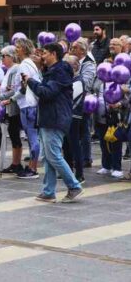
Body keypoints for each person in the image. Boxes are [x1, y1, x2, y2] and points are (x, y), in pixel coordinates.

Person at [25, 42, 83, 203]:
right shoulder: (51, 71)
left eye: (44, 53)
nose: (41, 56)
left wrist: (30, 81)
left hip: (56, 118)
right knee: (47, 156)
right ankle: (48, 191)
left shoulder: (61, 70)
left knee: (53, 155)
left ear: (53, 54)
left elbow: (47, 92)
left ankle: (74, 186)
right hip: (48, 118)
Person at [10, 38, 40, 179]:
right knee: (33, 137)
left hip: (27, 105)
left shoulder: (23, 65)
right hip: (31, 104)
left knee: (32, 138)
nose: (16, 49)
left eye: (18, 46)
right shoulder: (31, 64)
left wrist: (11, 99)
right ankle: (32, 166)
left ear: (23, 48)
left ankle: (33, 168)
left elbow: (24, 86)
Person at [0, 45, 23, 174]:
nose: (2, 59)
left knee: (14, 134)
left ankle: (16, 163)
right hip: (9, 106)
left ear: (11, 57)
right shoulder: (9, 70)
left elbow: (13, 90)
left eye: (4, 56)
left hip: (13, 108)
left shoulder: (14, 69)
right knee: (13, 134)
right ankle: (15, 163)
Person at [70, 37, 96, 168]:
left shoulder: (88, 64)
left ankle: (86, 158)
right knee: (76, 131)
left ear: (82, 50)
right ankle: (76, 156)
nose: (72, 50)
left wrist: (73, 81)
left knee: (84, 130)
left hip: (84, 101)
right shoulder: (72, 61)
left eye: (75, 48)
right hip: (72, 101)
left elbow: (86, 83)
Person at [62, 55, 86, 184]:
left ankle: (80, 173)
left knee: (75, 145)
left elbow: (69, 97)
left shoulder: (78, 80)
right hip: (66, 116)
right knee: (66, 145)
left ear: (75, 66)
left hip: (74, 117)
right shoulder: (70, 79)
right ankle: (68, 170)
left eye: (67, 65)